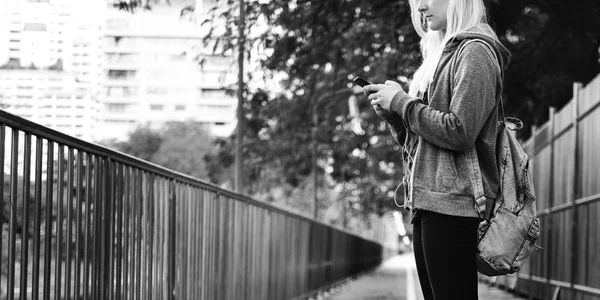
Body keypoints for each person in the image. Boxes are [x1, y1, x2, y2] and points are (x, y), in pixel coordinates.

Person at [363, 0, 511, 299]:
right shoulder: (443, 54)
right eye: (417, 2)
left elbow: (460, 132)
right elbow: (423, 143)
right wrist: (395, 116)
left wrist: (403, 103)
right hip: (430, 202)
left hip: (454, 204)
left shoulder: (476, 51)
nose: (421, 8)